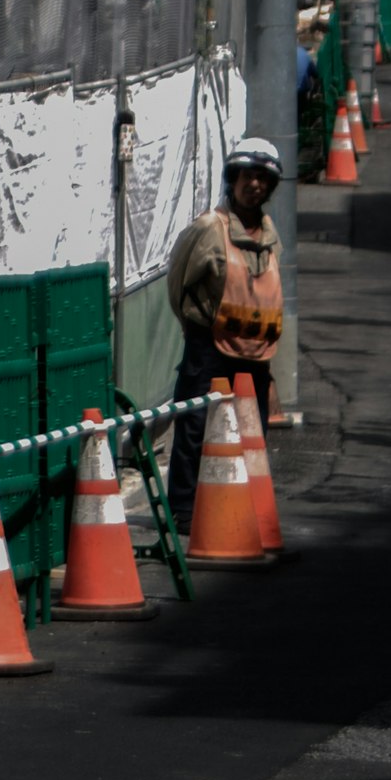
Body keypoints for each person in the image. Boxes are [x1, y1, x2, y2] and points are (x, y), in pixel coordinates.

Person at [166, 136, 287, 510]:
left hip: (256, 352)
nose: (256, 185)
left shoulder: (270, 237)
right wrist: (195, 329)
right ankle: (185, 511)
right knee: (195, 425)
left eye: (264, 179)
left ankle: (240, 508)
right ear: (233, 180)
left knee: (252, 430)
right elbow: (178, 283)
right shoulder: (209, 228)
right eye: (248, 176)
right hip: (208, 345)